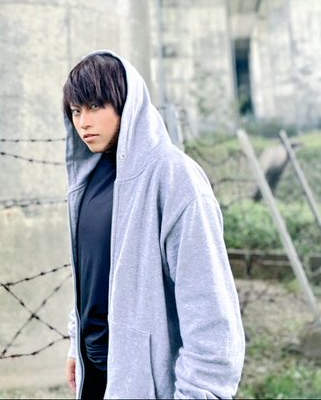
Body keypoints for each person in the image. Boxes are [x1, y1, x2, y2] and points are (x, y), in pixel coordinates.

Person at [62, 51, 245, 399]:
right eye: (75, 110)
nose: (84, 122)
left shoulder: (175, 178)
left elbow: (210, 310)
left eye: (95, 106)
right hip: (97, 375)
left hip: (150, 387)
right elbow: (91, 275)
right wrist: (77, 343)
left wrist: (200, 392)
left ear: (125, 103)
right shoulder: (90, 180)